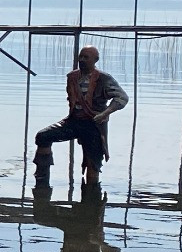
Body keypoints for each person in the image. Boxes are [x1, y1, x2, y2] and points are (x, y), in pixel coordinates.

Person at [33, 45, 128, 186]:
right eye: (81, 57)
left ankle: (92, 196)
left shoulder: (103, 78)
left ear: (95, 60)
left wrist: (106, 112)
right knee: (43, 136)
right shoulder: (72, 77)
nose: (82, 60)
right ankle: (41, 181)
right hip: (73, 121)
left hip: (94, 124)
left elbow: (122, 98)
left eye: (86, 57)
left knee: (93, 162)